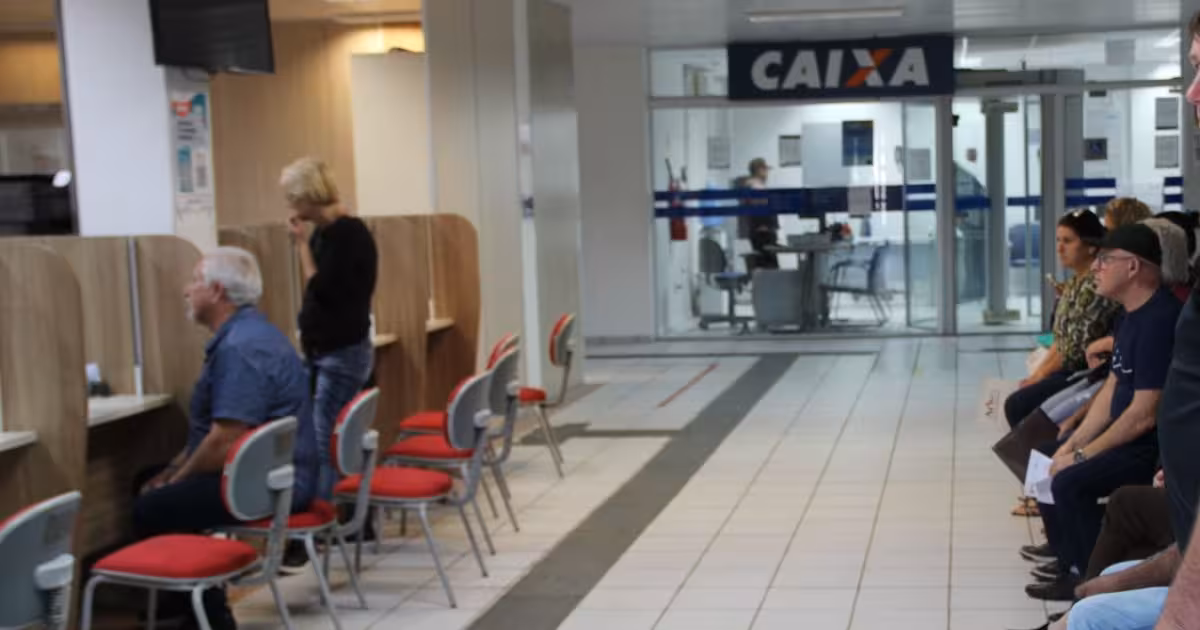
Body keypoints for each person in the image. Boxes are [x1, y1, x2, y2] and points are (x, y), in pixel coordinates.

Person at [133, 247, 318, 630]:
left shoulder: (239, 348)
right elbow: (211, 433)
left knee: (152, 507)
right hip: (274, 472)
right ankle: (184, 602)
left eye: (195, 281)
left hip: (268, 483)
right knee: (148, 480)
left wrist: (177, 480)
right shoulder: (253, 333)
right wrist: (172, 471)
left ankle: (208, 613)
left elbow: (224, 442)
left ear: (217, 291)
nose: (187, 290)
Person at [1026, 224, 1181, 602]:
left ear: (1134, 267)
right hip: (1126, 433)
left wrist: (1082, 456)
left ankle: (1085, 576)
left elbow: (1143, 414)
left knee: (1070, 481)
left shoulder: (1160, 321)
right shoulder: (1127, 316)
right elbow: (1113, 388)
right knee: (1047, 454)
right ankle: (1067, 559)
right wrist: (1073, 443)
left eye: (1106, 260)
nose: (1096, 267)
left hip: (1148, 446)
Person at [281, 157, 378, 502]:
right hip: (325, 349)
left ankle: (326, 515)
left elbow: (321, 287)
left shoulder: (348, 234)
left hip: (342, 352)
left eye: (293, 198)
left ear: (310, 196)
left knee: (326, 441)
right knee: (323, 436)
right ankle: (334, 510)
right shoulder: (326, 233)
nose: (290, 206)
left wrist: (300, 246)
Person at [739, 157, 779, 270]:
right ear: (759, 170)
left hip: (760, 232)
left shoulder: (750, 186)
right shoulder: (756, 187)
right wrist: (765, 226)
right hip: (763, 232)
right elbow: (761, 211)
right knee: (769, 268)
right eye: (765, 170)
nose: (767, 174)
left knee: (764, 266)